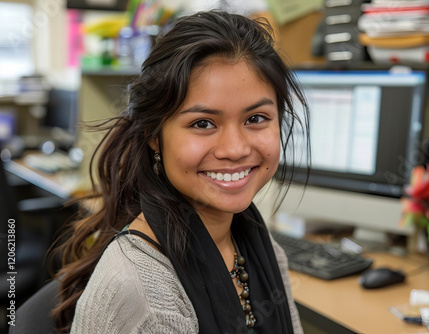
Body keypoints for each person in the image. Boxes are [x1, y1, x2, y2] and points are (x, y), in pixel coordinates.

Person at [52, 10, 310, 334]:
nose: (235, 149)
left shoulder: (260, 246)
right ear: (154, 138)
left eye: (256, 118)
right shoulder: (148, 298)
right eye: (203, 123)